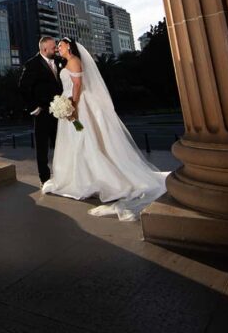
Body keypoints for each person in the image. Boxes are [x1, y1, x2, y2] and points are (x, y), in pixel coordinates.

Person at [42, 38, 169, 221]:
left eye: (60, 45)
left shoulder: (74, 61)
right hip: (69, 103)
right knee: (76, 142)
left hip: (77, 104)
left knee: (85, 140)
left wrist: (72, 107)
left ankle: (93, 179)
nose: (58, 48)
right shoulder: (67, 62)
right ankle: (81, 177)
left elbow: (77, 86)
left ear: (69, 46)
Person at [18, 36, 65, 185]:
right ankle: (45, 179)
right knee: (42, 147)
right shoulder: (32, 64)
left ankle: (63, 175)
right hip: (42, 112)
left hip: (60, 111)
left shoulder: (59, 61)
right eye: (53, 48)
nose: (56, 49)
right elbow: (23, 87)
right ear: (44, 49)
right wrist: (34, 108)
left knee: (61, 145)